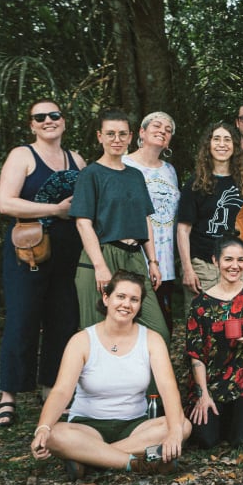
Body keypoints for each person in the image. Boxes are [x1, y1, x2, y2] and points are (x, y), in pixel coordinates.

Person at [30, 270, 192, 480]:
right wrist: (42, 428)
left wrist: (174, 432)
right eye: (120, 296)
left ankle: (90, 458)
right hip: (87, 426)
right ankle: (136, 462)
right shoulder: (82, 341)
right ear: (106, 298)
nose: (126, 304)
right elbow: (61, 391)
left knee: (183, 425)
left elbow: (167, 387)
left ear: (140, 305)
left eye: (134, 299)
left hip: (134, 426)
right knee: (54, 435)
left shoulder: (152, 339)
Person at [0, 98, 86, 427]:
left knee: (63, 321)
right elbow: (5, 203)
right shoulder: (22, 156)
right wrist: (54, 210)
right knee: (22, 320)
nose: (49, 120)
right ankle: (9, 395)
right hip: (29, 251)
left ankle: (51, 389)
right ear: (32, 125)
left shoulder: (76, 159)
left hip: (69, 253)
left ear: (64, 120)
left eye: (54, 115)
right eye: (40, 117)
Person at [70, 109, 169, 343]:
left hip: (134, 258)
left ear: (130, 136)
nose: (117, 139)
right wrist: (100, 266)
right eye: (110, 134)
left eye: (122, 134)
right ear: (100, 136)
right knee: (97, 337)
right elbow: (83, 223)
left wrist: (152, 261)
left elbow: (145, 219)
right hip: (101, 256)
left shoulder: (135, 175)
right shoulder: (90, 174)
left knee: (158, 332)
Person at [185, 236, 243, 449]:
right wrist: (203, 394)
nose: (235, 266)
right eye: (228, 259)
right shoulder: (200, 304)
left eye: (240, 260)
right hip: (212, 381)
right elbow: (195, 354)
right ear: (215, 261)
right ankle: (227, 415)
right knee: (206, 440)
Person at [177, 122, 243, 310]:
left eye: (227, 140)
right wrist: (187, 269)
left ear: (234, 146)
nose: (222, 144)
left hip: (239, 267)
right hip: (205, 267)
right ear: (208, 145)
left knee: (242, 322)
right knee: (203, 322)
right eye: (216, 139)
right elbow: (183, 230)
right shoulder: (195, 183)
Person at [124, 111, 180, 334]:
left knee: (163, 325)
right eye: (157, 126)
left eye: (168, 130)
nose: (162, 131)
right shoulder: (124, 164)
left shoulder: (170, 170)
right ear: (142, 132)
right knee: (132, 323)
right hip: (134, 257)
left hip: (165, 262)